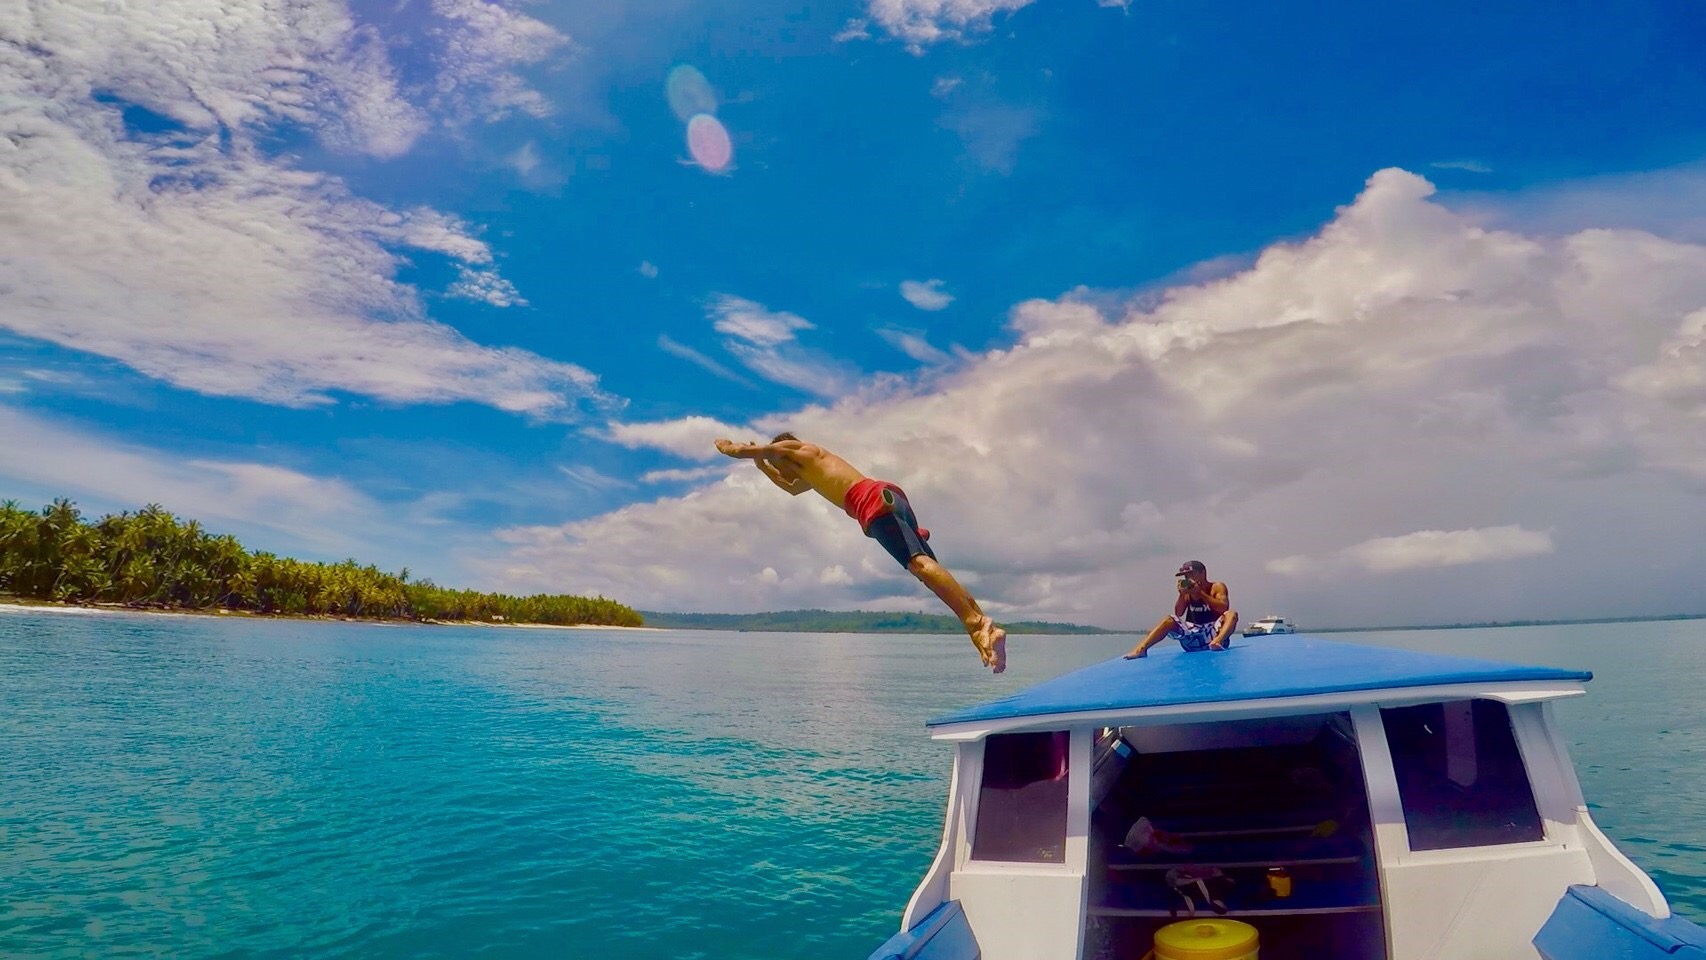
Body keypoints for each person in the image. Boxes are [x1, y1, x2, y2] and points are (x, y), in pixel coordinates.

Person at [714, 433, 1007, 673]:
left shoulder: (799, 448)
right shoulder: (811, 470)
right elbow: (790, 487)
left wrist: (732, 449)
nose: (784, 472)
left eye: (781, 464)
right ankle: (982, 628)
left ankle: (979, 626)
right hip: (889, 496)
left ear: (784, 452)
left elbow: (754, 451)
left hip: (869, 499)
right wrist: (762, 466)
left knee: (917, 565)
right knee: (928, 569)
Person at [1123, 561, 1238, 658]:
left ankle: (1217, 641)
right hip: (1193, 638)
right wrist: (1182, 594)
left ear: (1203, 573)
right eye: (1186, 576)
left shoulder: (1217, 587)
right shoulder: (1188, 592)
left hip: (1214, 634)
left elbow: (1224, 607)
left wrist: (1201, 594)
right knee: (1169, 619)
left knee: (1232, 613)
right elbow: (1179, 613)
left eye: (1191, 574)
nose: (1188, 578)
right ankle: (1141, 650)